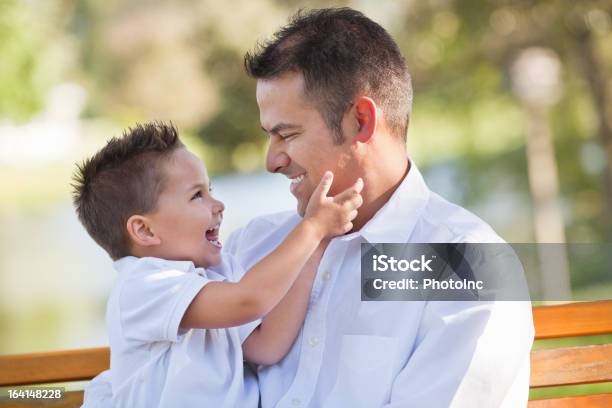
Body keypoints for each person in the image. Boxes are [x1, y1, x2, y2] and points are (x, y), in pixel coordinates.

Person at [221, 7, 535, 407]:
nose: (271, 161)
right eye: (270, 136)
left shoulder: (467, 266)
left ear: (362, 122)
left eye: (287, 134)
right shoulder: (251, 246)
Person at [72, 122, 363, 407]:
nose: (218, 204)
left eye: (209, 189)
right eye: (197, 195)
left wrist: (316, 246)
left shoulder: (215, 274)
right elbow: (248, 300)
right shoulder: (142, 287)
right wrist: (311, 229)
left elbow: (267, 346)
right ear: (145, 231)